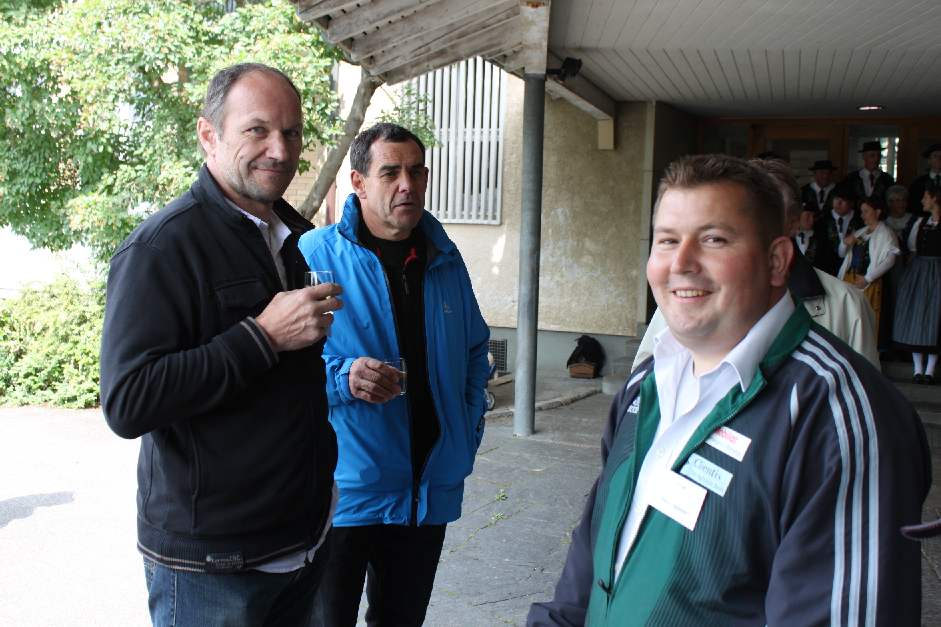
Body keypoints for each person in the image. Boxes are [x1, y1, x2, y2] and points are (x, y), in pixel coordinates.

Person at [529, 154, 929, 626]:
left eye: (713, 239)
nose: (681, 263)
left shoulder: (838, 418)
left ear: (777, 261)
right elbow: (589, 562)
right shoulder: (645, 386)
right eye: (667, 240)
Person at [99, 63, 343, 626]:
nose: (280, 150)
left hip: (303, 544)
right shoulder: (161, 247)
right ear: (209, 135)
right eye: (257, 130)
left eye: (291, 132)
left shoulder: (294, 237)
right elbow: (128, 401)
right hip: (213, 570)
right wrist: (261, 336)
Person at [297, 123, 490, 626]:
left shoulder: (445, 257)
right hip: (343, 494)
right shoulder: (313, 255)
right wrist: (342, 378)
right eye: (391, 172)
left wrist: (467, 431)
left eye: (416, 171)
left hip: (426, 491)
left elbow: (475, 349)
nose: (408, 184)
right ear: (359, 182)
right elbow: (280, 368)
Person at [633, 158, 880, 369]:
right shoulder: (688, 293)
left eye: (771, 211)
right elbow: (645, 379)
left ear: (794, 221)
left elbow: (865, 397)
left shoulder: (847, 305)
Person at [894, 186, 941, 384]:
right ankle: (917, 369)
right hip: (920, 271)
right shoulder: (920, 223)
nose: (922, 201)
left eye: (926, 197)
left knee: (935, 319)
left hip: (938, 271)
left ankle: (930, 370)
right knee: (916, 315)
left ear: (935, 199)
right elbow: (912, 248)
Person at [837, 196, 899, 331]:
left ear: (877, 212)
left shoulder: (886, 234)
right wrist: (844, 243)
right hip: (850, 279)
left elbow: (890, 260)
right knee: (848, 318)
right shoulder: (860, 232)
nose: (862, 215)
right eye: (861, 211)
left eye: (866, 211)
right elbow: (841, 254)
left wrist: (867, 278)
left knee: (866, 320)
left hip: (869, 283)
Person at [813, 184, 863, 276]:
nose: (838, 203)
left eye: (843, 200)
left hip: (852, 271)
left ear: (851, 203)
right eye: (836, 199)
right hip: (827, 272)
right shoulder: (822, 221)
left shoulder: (860, 220)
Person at [907, 144, 941, 215]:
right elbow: (913, 205)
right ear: (929, 160)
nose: (939, 159)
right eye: (935, 156)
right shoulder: (918, 183)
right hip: (923, 218)